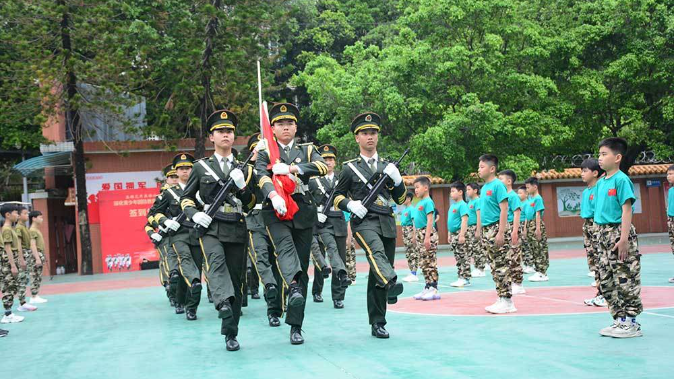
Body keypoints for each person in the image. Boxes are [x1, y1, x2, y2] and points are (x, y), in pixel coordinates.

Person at [180, 109, 255, 351]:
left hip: (236, 227)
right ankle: (222, 301)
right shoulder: (201, 167)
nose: (226, 134)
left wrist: (243, 187)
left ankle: (230, 333)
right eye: (220, 131)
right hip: (211, 227)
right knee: (217, 264)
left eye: (230, 131)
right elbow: (186, 199)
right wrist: (195, 214)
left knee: (236, 280)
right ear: (211, 137)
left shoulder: (244, 167)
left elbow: (252, 203)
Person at [255, 103, 328, 345]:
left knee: (302, 263)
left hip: (302, 212)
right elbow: (260, 175)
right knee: (285, 251)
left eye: (289, 123)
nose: (285, 127)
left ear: (295, 127)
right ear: (272, 128)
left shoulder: (307, 150)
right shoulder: (266, 150)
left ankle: (296, 325)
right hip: (275, 212)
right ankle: (292, 288)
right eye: (279, 124)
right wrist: (273, 195)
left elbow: (322, 166)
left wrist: (292, 168)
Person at [333, 112, 406, 338]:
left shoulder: (387, 166)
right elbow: (335, 197)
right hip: (363, 222)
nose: (370, 137)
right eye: (365, 133)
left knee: (378, 272)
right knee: (375, 252)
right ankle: (392, 281)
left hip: (386, 221)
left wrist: (399, 180)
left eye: (373, 132)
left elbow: (401, 199)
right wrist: (350, 204)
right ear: (357, 138)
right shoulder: (349, 168)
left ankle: (378, 321)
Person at [595, 138, 642, 338]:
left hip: (618, 232)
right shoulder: (600, 183)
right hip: (602, 234)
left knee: (625, 278)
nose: (600, 158)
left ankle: (631, 322)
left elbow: (627, 210)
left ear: (617, 157)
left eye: (604, 154)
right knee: (606, 280)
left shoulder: (621, 180)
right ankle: (619, 319)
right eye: (599, 154)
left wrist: (623, 239)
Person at [155, 153, 206, 321]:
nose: (185, 171)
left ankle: (189, 305)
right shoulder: (169, 193)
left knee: (195, 269)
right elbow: (154, 213)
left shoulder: (201, 190)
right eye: (182, 168)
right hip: (178, 235)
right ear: (176, 171)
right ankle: (190, 292)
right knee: (186, 262)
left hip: (197, 233)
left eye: (188, 168)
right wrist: (166, 221)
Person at [244, 133, 283, 327]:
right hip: (255, 220)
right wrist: (251, 163)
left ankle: (275, 307)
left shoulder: (275, 168)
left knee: (278, 264)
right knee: (261, 259)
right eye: (257, 149)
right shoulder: (246, 170)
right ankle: (269, 288)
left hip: (276, 219)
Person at [308, 144, 351, 309]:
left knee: (339, 258)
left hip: (337, 220)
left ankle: (338, 296)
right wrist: (314, 215)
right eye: (325, 159)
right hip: (320, 222)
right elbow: (307, 202)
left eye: (331, 159)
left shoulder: (342, 180)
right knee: (322, 259)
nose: (328, 161)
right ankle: (317, 290)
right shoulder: (313, 181)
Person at [477, 154, 516, 314]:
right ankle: (501, 297)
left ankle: (507, 301)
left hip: (496, 229)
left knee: (501, 265)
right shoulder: (484, 187)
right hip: (487, 229)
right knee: (494, 266)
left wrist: (501, 232)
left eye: (482, 167)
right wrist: (480, 230)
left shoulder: (498, 185)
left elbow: (504, 209)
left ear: (492, 169)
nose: (479, 170)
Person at [580, 159, 607, 307]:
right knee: (594, 262)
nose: (582, 174)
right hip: (587, 225)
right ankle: (600, 293)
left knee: (601, 260)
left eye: (585, 171)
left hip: (596, 224)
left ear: (595, 173)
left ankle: (605, 295)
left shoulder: (599, 188)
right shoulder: (586, 191)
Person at [410, 176, 440, 300]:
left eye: (418, 187)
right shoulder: (419, 203)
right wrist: (415, 235)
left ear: (426, 187)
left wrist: (427, 237)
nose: (415, 190)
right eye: (414, 188)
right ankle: (427, 286)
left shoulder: (428, 202)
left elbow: (430, 220)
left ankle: (434, 288)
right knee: (424, 262)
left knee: (430, 262)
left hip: (428, 233)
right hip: (420, 233)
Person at [498, 170, 525, 295]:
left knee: (515, 255)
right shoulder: (502, 195)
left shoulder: (513, 196)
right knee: (507, 256)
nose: (499, 181)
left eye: (501, 178)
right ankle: (511, 281)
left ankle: (518, 283)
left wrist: (515, 231)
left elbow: (517, 213)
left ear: (509, 181)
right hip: (506, 227)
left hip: (512, 227)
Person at [1, 203, 26, 324]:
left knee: (12, 287)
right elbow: (7, 248)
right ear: (7, 214)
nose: (17, 215)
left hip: (12, 258)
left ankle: (9, 313)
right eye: (15, 213)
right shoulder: (6, 229)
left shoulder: (10, 228)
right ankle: (7, 314)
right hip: (8, 260)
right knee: (8, 287)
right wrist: (12, 265)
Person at [524, 177, 549, 282]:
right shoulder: (530, 200)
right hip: (529, 224)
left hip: (535, 224)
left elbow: (538, 214)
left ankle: (542, 272)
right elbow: (526, 215)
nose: (527, 190)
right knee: (533, 248)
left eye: (528, 187)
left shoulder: (538, 198)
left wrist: (538, 229)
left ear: (535, 187)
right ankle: (538, 270)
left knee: (540, 248)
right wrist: (525, 228)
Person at [446, 181, 470, 288]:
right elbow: (450, 221)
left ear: (460, 192)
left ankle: (465, 278)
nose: (451, 193)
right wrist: (449, 233)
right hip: (453, 234)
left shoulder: (463, 205)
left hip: (460, 233)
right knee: (458, 256)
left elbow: (464, 220)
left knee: (463, 256)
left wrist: (462, 235)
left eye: (453, 191)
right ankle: (460, 277)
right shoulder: (453, 206)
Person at [14, 207, 38, 311]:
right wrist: (21, 259)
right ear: (19, 216)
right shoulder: (19, 227)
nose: (27, 215)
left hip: (26, 254)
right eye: (25, 213)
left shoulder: (23, 227)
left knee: (24, 279)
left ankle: (23, 302)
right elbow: (18, 244)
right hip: (23, 254)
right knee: (22, 279)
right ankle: (22, 303)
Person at [466, 183, 486, 278]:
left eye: (469, 189)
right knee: (473, 248)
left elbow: (479, 216)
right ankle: (477, 267)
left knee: (478, 248)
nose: (467, 191)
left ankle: (481, 268)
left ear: (475, 190)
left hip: (475, 227)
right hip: (469, 228)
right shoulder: (470, 202)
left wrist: (478, 230)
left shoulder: (477, 201)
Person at [27, 211, 47, 304]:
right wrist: (37, 258)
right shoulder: (32, 230)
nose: (41, 219)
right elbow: (33, 245)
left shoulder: (36, 230)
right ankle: (34, 296)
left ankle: (36, 295)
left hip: (39, 253)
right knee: (35, 275)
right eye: (40, 217)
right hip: (36, 255)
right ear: (33, 218)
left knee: (38, 276)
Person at [400, 192, 419, 282]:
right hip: (405, 232)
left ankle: (414, 273)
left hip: (410, 231)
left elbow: (414, 223)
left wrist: (414, 235)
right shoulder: (405, 210)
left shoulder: (412, 209)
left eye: (404, 198)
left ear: (408, 199)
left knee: (413, 253)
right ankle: (411, 271)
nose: (402, 200)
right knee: (408, 253)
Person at [517, 186, 535, 273]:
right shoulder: (519, 203)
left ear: (526, 194)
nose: (518, 195)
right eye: (518, 193)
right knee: (521, 247)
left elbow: (527, 217)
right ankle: (525, 264)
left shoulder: (527, 203)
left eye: (520, 193)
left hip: (524, 224)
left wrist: (525, 229)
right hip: (518, 225)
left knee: (526, 246)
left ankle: (530, 265)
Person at [667, 165, 674, 284]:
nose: (668, 176)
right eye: (667, 174)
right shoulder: (671, 190)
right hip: (671, 220)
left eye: (671, 174)